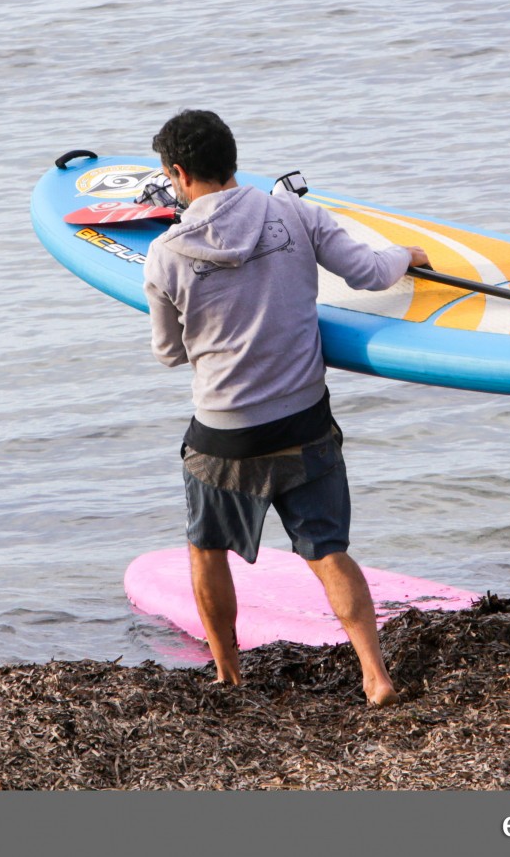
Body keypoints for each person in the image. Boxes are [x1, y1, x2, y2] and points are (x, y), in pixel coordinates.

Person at [142, 109, 429, 706]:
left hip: (225, 435)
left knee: (205, 548)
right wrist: (409, 255)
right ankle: (375, 677)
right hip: (304, 421)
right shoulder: (296, 213)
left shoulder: (166, 255)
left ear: (177, 174)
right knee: (327, 551)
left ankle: (227, 672)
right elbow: (372, 273)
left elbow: (169, 353)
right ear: (233, 160)